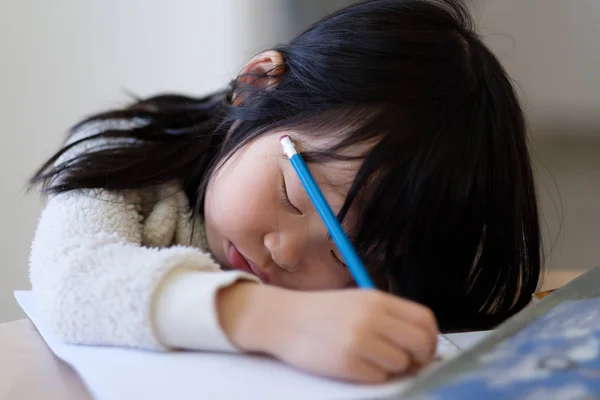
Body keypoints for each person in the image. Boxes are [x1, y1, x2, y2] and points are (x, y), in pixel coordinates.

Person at [28, 0, 541, 383]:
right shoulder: (125, 154)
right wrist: (271, 318)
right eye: (295, 196)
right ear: (257, 84)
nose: (289, 252)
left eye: (345, 253)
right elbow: (73, 280)